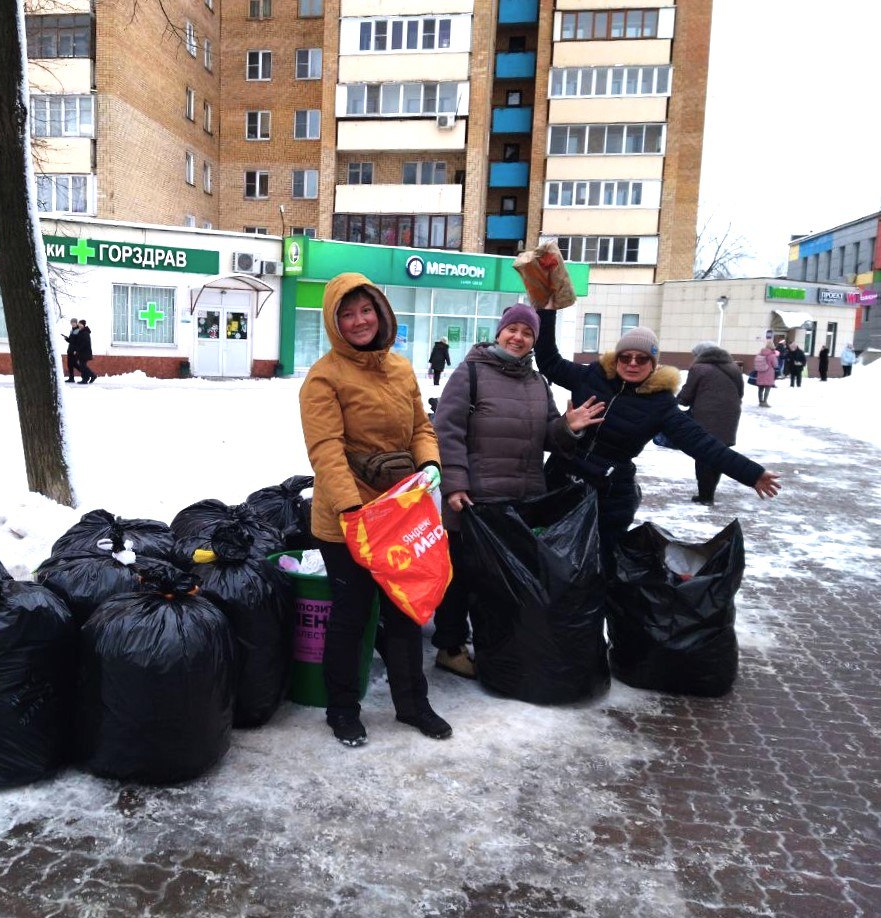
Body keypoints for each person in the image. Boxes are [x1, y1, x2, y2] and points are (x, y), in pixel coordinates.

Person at [299, 272, 452, 747]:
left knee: (405, 613)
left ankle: (413, 704)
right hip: (347, 521)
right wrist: (350, 510)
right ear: (334, 322)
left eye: (365, 310)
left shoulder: (402, 369)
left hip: (399, 513)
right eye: (347, 313)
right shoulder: (324, 377)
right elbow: (325, 449)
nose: (359, 320)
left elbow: (420, 429)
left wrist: (429, 464)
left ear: (381, 313)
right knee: (353, 613)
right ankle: (341, 708)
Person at [431, 303, 605, 678]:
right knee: (461, 577)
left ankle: (499, 645)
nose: (518, 337)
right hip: (474, 501)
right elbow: (447, 433)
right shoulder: (470, 373)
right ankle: (450, 646)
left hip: (521, 500)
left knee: (504, 581)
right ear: (499, 332)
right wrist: (455, 486)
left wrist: (568, 426)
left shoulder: (537, 383)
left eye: (527, 333)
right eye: (513, 329)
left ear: (533, 342)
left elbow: (547, 435)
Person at [533, 310, 781, 570]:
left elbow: (703, 444)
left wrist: (751, 474)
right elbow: (549, 360)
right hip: (562, 481)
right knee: (544, 555)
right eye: (625, 357)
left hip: (608, 495)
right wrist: (547, 312)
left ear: (653, 364)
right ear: (616, 359)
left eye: (642, 359)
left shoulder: (660, 405)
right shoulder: (592, 376)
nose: (632, 363)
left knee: (595, 566)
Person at [677, 342, 745, 505]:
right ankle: (709, 492)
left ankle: (705, 495)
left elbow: (686, 396)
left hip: (705, 416)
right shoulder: (734, 368)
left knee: (703, 453)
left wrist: (676, 399)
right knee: (719, 453)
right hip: (730, 416)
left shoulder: (699, 369)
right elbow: (740, 392)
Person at [753, 341, 779, 408]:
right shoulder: (772, 355)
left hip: (760, 373)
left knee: (760, 388)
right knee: (767, 388)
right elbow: (775, 365)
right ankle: (765, 402)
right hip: (769, 373)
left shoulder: (760, 353)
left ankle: (760, 402)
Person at [75, 319, 97, 384]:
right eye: (79, 324)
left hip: (85, 353)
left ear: (83, 325)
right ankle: (85, 378)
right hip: (82, 352)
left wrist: (78, 350)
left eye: (80, 324)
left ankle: (92, 376)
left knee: (83, 366)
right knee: (82, 366)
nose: (79, 325)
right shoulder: (81, 331)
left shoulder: (85, 333)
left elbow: (84, 343)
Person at [62, 318, 80, 383]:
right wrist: (66, 339)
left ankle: (86, 373)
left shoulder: (78, 330)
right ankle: (71, 378)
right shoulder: (72, 330)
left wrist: (76, 350)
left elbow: (78, 342)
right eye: (71, 323)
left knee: (74, 364)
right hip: (70, 350)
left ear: (76, 323)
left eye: (74, 322)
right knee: (70, 364)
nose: (72, 324)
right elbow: (71, 341)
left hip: (74, 351)